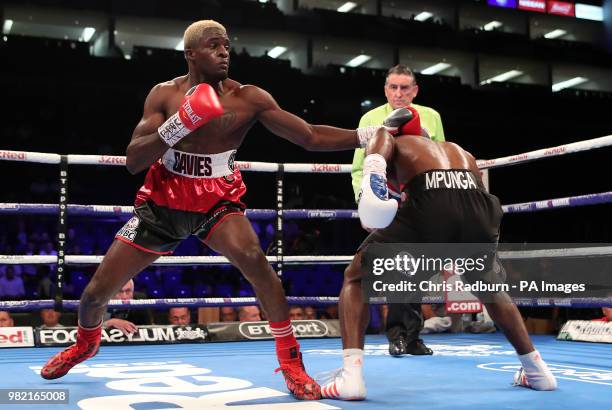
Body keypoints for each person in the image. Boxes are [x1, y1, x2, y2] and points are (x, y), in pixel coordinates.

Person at [40, 19, 379, 400]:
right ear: (191, 54)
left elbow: (310, 136)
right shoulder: (164, 95)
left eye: (226, 46)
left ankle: (291, 363)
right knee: (94, 295)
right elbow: (133, 160)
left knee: (258, 265)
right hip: (162, 203)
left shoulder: (248, 97)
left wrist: (370, 135)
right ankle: (86, 343)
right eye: (214, 46)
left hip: (217, 201)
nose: (223, 53)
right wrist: (180, 123)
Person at [319, 109, 557, 400]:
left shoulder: (393, 138)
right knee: (489, 288)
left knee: (355, 278)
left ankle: (351, 378)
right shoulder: (456, 150)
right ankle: (537, 372)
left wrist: (374, 171)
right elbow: (465, 204)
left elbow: (382, 143)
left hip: (432, 200)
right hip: (479, 206)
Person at [351, 64, 445, 356]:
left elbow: (440, 160)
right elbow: (358, 167)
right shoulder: (371, 118)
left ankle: (413, 337)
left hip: (420, 202)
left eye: (405, 88)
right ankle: (397, 336)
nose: (399, 93)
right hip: (386, 201)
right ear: (386, 90)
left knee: (417, 271)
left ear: (414, 90)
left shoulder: (431, 116)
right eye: (393, 87)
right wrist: (365, 203)